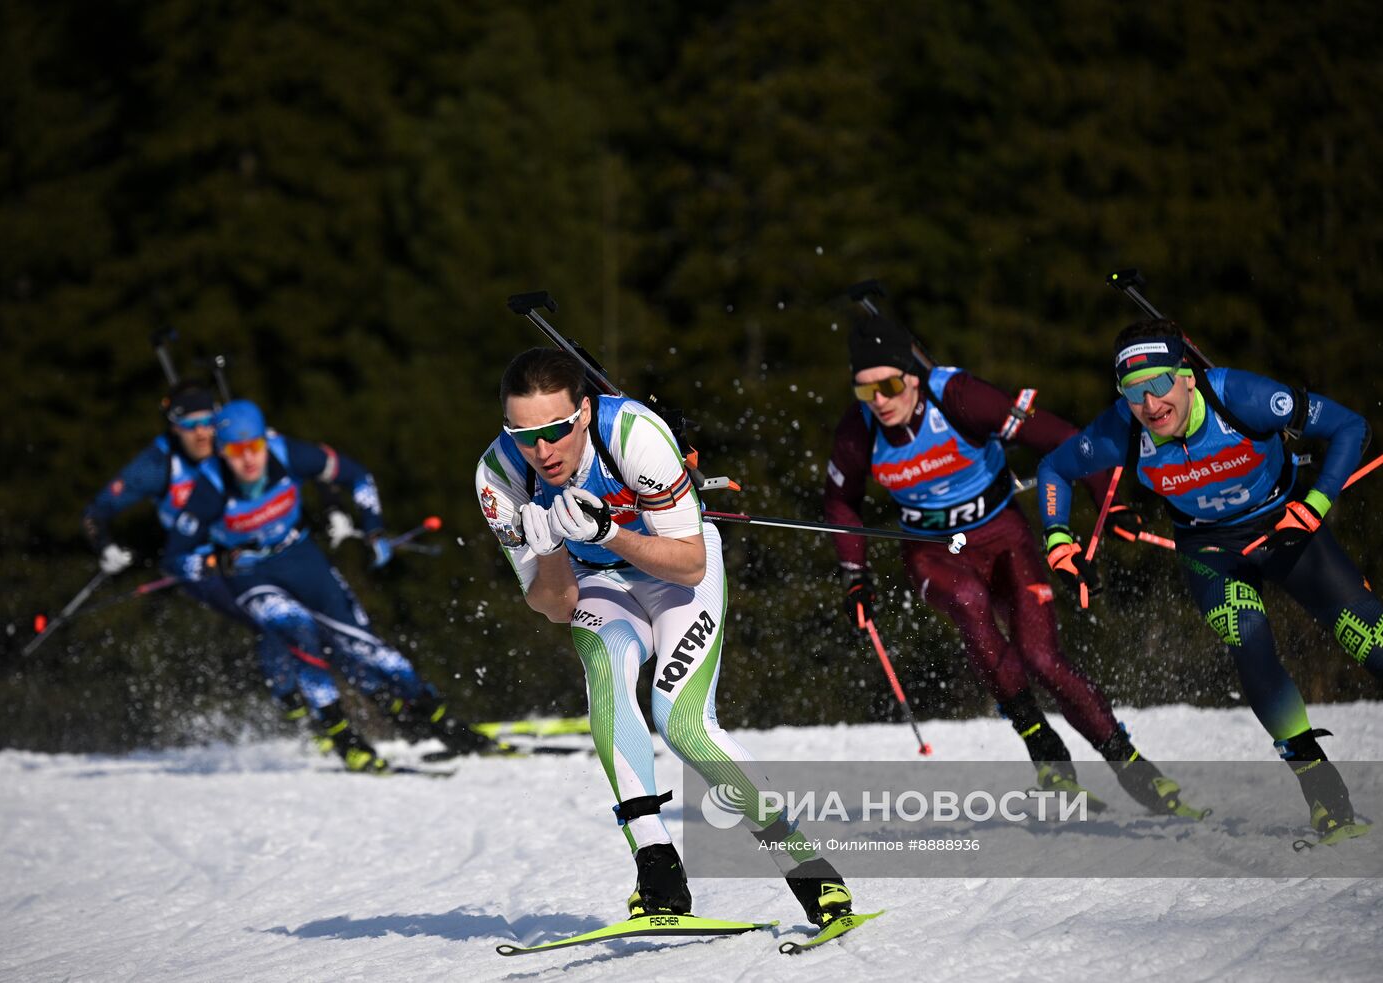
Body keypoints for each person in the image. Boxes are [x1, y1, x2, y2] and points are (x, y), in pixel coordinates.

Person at [474, 347, 855, 928]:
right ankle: (655, 865)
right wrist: (549, 548)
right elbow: (554, 607)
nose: (542, 451)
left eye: (554, 430)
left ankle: (808, 866)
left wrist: (610, 532)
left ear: (582, 412)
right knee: (607, 670)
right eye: (524, 435)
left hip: (672, 570)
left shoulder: (634, 434)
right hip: (595, 582)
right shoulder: (499, 476)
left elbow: (691, 565)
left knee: (681, 722)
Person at [825, 315, 1202, 817]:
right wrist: (855, 575)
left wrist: (1107, 505)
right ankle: (1043, 748)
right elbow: (840, 502)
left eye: (890, 385)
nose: (879, 400)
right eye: (865, 389)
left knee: (1042, 658)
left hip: (1003, 535)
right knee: (968, 600)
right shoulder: (859, 429)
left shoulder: (960, 397)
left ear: (912, 376)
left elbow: (1066, 439)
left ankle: (1131, 765)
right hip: (934, 551)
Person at [1038, 318, 1378, 844]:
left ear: (1187, 376)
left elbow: (1351, 427)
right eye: (1134, 391)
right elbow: (1056, 469)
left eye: (1159, 384)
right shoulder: (1122, 429)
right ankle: (1326, 799)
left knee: (1370, 641)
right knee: (1249, 639)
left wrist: (1313, 506)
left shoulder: (1240, 397)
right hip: (1210, 550)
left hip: (1286, 527)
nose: (1150, 405)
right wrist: (1058, 541)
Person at [164, 398, 499, 771]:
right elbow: (177, 558)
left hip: (301, 558)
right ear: (221, 452)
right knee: (297, 629)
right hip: (252, 577)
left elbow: (357, 476)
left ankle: (438, 720)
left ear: (264, 440)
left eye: (254, 446)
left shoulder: (288, 453)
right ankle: (343, 738)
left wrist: (372, 530)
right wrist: (216, 561)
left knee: (368, 650)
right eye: (235, 451)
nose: (248, 460)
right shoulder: (210, 487)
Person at [82, 382, 352, 746]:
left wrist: (334, 506)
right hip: (205, 565)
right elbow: (97, 512)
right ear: (173, 427)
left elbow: (313, 464)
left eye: (207, 421)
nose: (201, 433)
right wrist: (105, 546)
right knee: (274, 620)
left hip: (256, 550)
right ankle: (305, 719)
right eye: (188, 425)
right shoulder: (158, 464)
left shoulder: (243, 445)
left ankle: (329, 712)